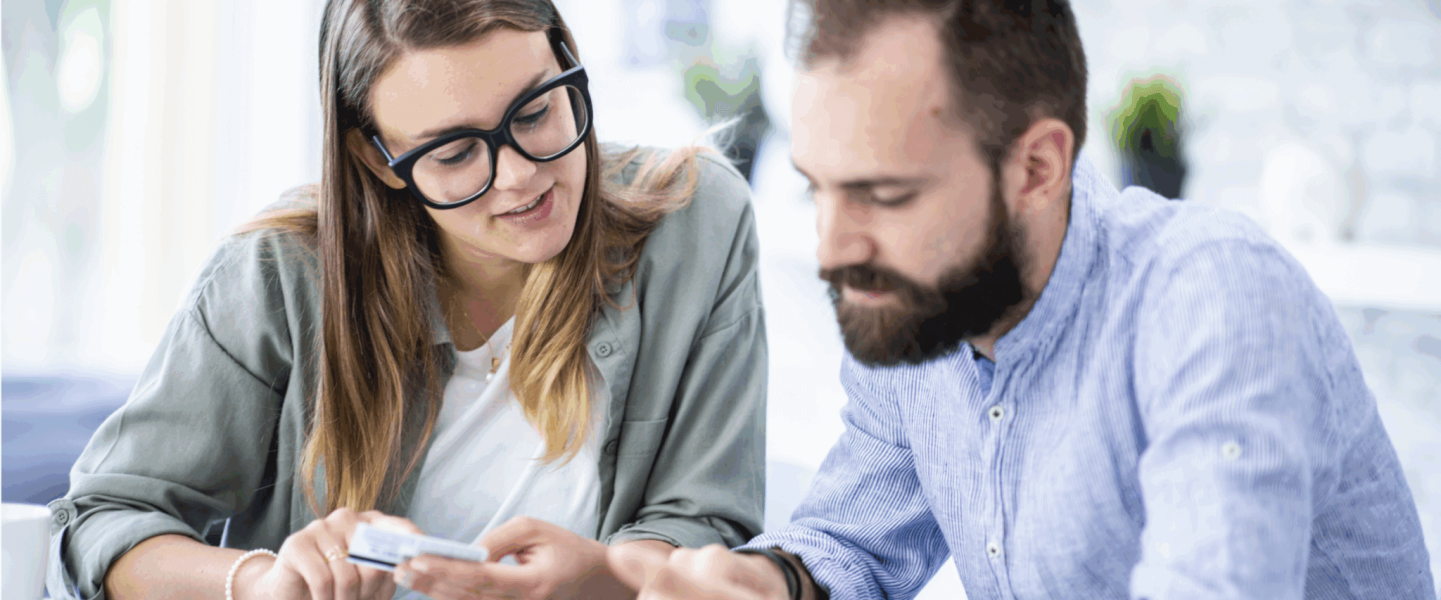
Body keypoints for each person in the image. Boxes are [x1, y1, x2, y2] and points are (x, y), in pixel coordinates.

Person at [608, 0, 1436, 599]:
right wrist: (766, 582)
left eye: (885, 196)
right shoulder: (925, 319)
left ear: (1036, 169)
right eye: (817, 191)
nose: (832, 253)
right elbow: (848, 540)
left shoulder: (1212, 298)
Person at [46, 1, 767, 599]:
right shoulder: (277, 277)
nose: (519, 176)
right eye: (454, 153)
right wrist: (260, 581)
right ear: (376, 161)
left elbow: (704, 519)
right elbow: (100, 521)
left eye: (537, 110)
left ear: (565, 60)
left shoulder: (698, 226)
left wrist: (608, 579)